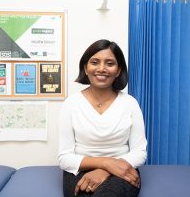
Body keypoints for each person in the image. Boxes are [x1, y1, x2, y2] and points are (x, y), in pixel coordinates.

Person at [58, 39, 147, 197]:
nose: (101, 68)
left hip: (123, 169)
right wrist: (106, 163)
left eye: (109, 63)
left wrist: (108, 169)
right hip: (79, 170)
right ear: (86, 68)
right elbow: (65, 158)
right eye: (95, 62)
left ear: (118, 70)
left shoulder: (130, 103)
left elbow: (139, 152)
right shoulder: (71, 104)